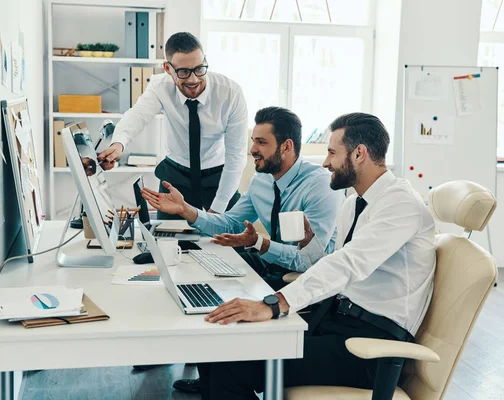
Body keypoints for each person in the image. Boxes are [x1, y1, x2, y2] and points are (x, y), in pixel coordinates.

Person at [188, 112, 437, 399]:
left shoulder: (400, 204)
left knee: (232, 369)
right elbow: (333, 264)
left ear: (359, 154)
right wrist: (309, 245)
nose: (326, 162)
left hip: (370, 344)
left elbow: (349, 264)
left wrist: (276, 303)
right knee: (229, 344)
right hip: (334, 320)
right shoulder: (355, 202)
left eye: (332, 152)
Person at [142, 106, 344, 290]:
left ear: (286, 146)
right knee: (193, 274)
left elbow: (309, 260)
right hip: (271, 264)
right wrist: (186, 209)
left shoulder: (321, 186)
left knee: (219, 294)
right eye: (253, 141)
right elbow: (231, 224)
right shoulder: (262, 180)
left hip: (303, 281)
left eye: (262, 142)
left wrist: (259, 243)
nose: (253, 149)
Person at [97, 32, 248, 219]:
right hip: (176, 177)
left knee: (232, 240)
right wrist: (118, 143)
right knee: (166, 239)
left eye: (200, 69)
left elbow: (236, 155)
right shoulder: (160, 85)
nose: (193, 79)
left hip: (219, 176)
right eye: (184, 72)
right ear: (168, 68)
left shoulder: (230, 93)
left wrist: (216, 211)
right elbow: (138, 115)